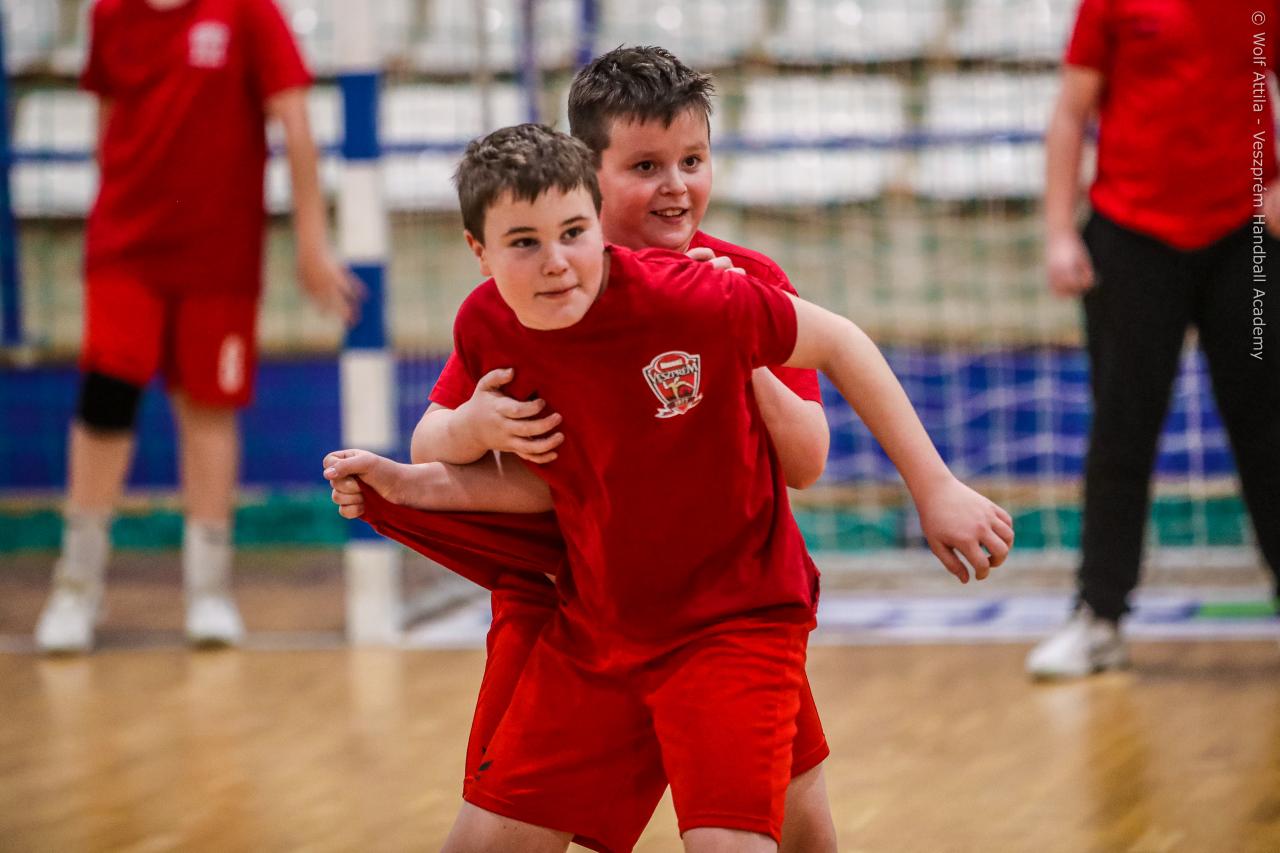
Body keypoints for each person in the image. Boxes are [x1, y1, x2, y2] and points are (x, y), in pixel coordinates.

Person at [325, 123, 1014, 852]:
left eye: (571, 233)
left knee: (747, 831)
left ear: (592, 216)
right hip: (596, 621)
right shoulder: (489, 323)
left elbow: (831, 378)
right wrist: (408, 482)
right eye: (524, 242)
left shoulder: (704, 292)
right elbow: (552, 481)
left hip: (731, 620)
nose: (555, 261)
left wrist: (935, 486)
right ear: (480, 250)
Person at [411, 45, 838, 853]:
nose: (676, 185)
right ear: (586, 173)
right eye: (646, 166)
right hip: (566, 602)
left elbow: (807, 461)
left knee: (798, 819)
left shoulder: (742, 280)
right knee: (497, 831)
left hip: (722, 603)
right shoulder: (536, 290)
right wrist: (473, 426)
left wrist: (730, 344)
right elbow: (434, 439)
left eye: (693, 161)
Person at [35, 0, 360, 653]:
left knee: (208, 407)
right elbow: (107, 120)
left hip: (219, 254)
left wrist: (311, 241)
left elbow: (296, 123)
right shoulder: (110, 13)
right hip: (126, 250)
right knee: (105, 401)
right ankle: (76, 584)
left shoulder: (248, 12)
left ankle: (209, 590)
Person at [1027, 0, 1280, 678]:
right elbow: (1071, 112)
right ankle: (1100, 617)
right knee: (1122, 431)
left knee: (1269, 430)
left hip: (1246, 245)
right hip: (1131, 240)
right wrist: (1059, 231)